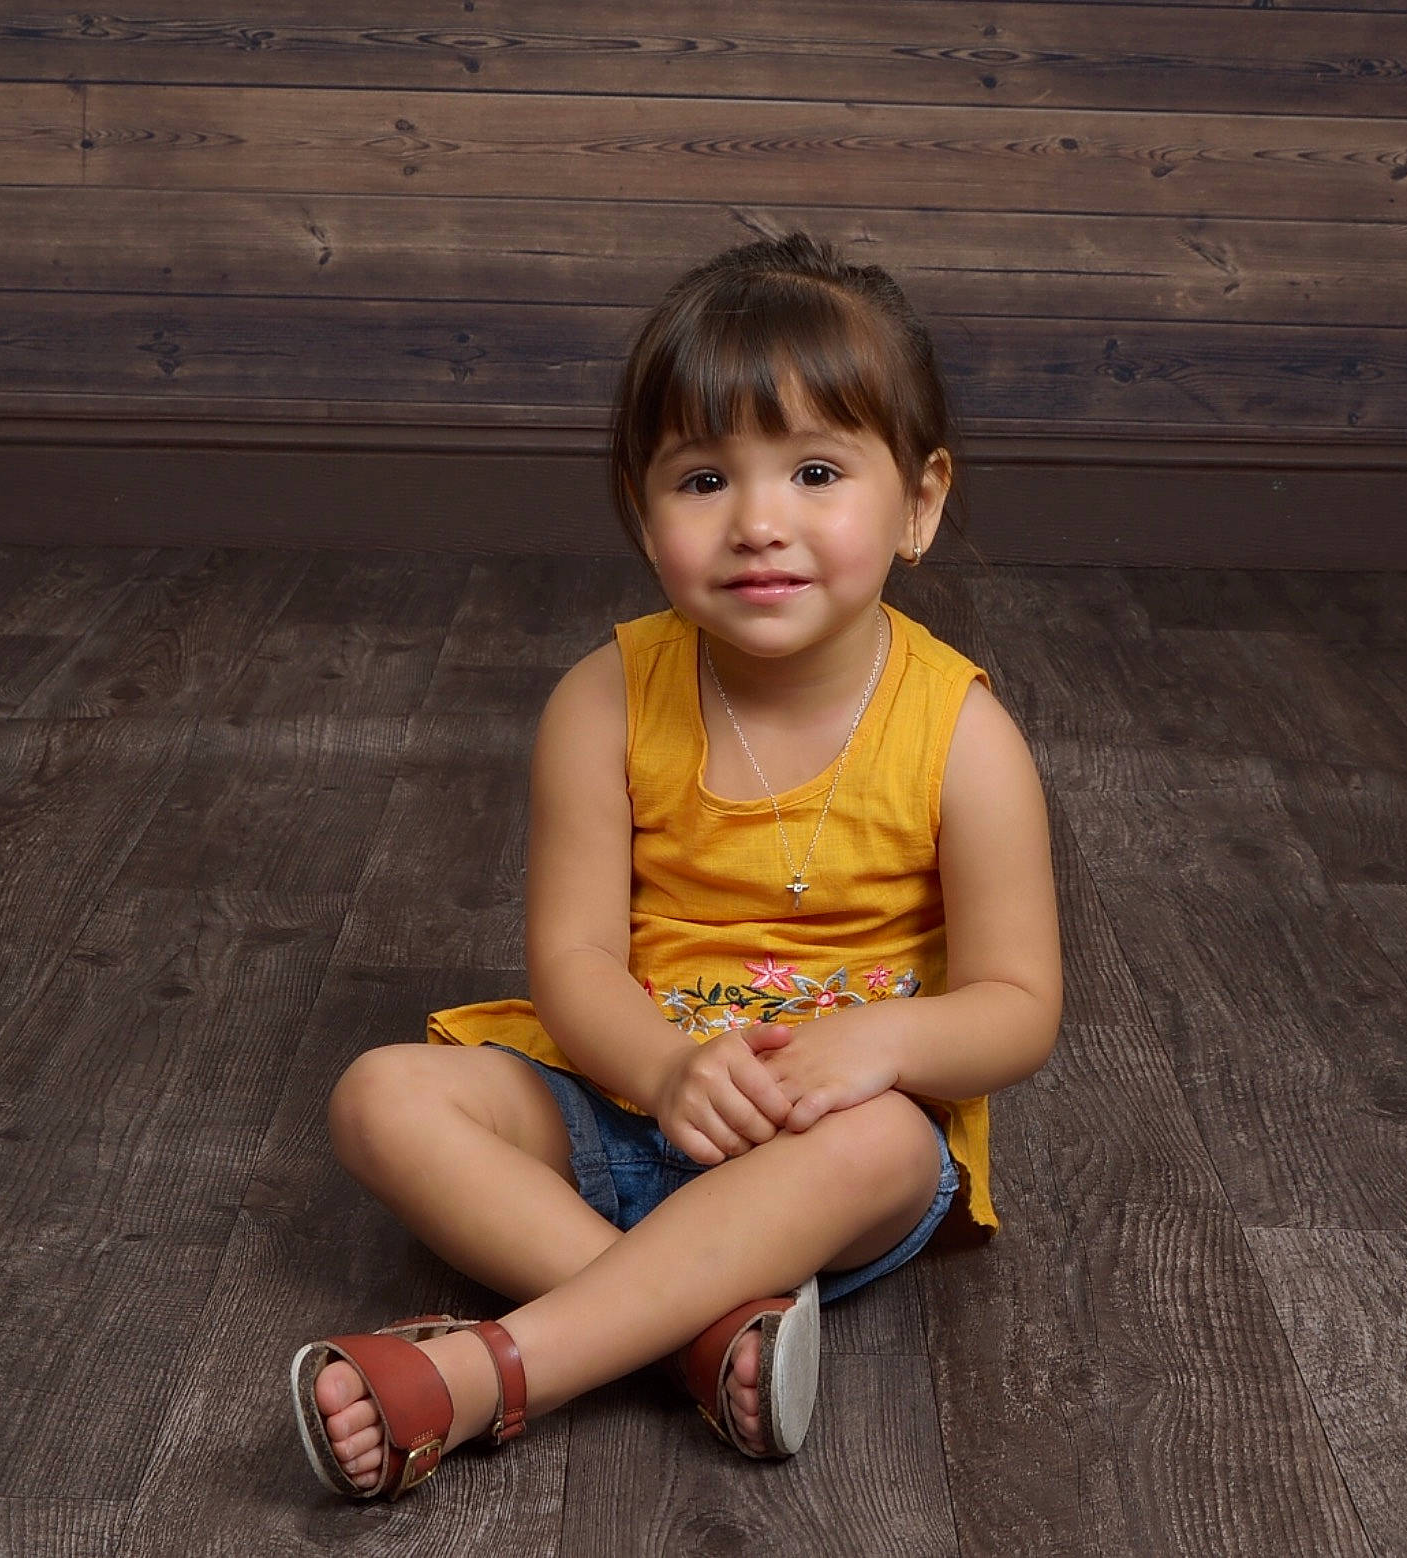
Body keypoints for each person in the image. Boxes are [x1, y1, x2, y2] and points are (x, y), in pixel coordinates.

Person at [289, 232, 1062, 1500]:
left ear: (918, 504)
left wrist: (879, 1048)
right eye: (703, 480)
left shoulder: (961, 736)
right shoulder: (603, 699)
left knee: (887, 1150)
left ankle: (498, 1366)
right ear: (644, 518)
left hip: (822, 1148)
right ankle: (698, 1339)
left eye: (815, 471)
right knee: (383, 1095)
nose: (760, 522)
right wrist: (660, 1067)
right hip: (631, 1100)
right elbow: (576, 958)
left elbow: (1018, 1008)